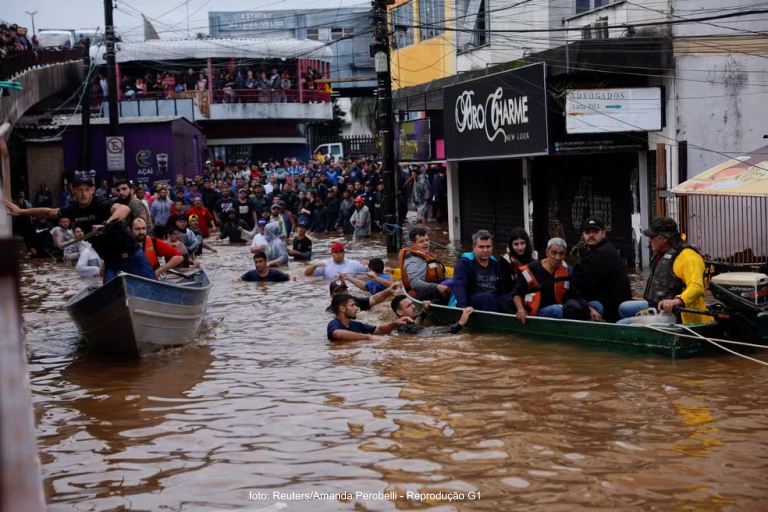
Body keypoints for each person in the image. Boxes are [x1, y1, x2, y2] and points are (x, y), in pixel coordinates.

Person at [5, 172, 154, 282]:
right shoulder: (72, 209)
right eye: (80, 190)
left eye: (87, 189)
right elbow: (48, 212)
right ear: (73, 191)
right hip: (111, 262)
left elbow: (124, 209)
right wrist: (20, 211)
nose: (83, 194)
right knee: (111, 298)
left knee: (152, 289)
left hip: (133, 255)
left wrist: (106, 225)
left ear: (92, 190)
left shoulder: (101, 204)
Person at [617, 217, 708, 325]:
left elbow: (697, 287)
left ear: (664, 238)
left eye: (652, 236)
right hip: (658, 306)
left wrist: (676, 301)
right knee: (623, 308)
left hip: (678, 314)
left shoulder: (688, 257)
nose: (649, 240)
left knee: (622, 324)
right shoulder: (664, 252)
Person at [569, 217, 632, 323]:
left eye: (595, 232)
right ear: (583, 234)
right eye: (587, 232)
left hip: (611, 312)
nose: (591, 235)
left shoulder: (602, 254)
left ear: (603, 233)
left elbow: (584, 287)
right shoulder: (598, 250)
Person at [453, 230, 512, 312]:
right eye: (481, 247)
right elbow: (459, 285)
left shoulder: (496, 263)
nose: (485, 250)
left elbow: (502, 287)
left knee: (512, 297)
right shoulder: (465, 263)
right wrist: (463, 308)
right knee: (487, 298)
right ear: (474, 247)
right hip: (473, 300)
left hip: (493, 300)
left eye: (488, 246)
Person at [327, 293, 412, 342]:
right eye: (352, 305)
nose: (357, 308)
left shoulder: (357, 325)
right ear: (342, 308)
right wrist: (368, 337)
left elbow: (379, 330)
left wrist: (394, 323)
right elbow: (338, 334)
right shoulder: (334, 324)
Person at [400, 227, 451, 302]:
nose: (426, 243)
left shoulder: (427, 256)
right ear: (412, 243)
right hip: (422, 296)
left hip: (433, 291)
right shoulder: (413, 261)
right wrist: (436, 287)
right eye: (421, 241)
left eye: (427, 240)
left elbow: (439, 277)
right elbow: (415, 283)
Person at [391, 295, 473, 335]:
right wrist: (460, 323)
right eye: (409, 306)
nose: (413, 306)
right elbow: (437, 335)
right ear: (399, 312)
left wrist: (424, 311)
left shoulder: (402, 325)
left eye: (412, 303)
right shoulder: (409, 328)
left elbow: (415, 324)